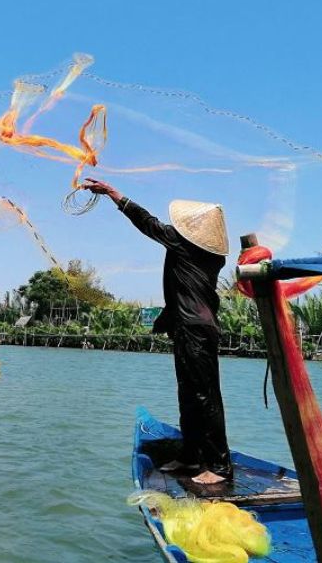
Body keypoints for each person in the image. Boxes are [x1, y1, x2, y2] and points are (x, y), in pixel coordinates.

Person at [82, 178, 233, 485]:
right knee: (189, 395)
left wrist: (113, 194)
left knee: (204, 397)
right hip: (191, 328)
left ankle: (219, 467)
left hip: (195, 329)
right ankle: (191, 456)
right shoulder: (213, 256)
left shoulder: (184, 244)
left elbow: (147, 222)